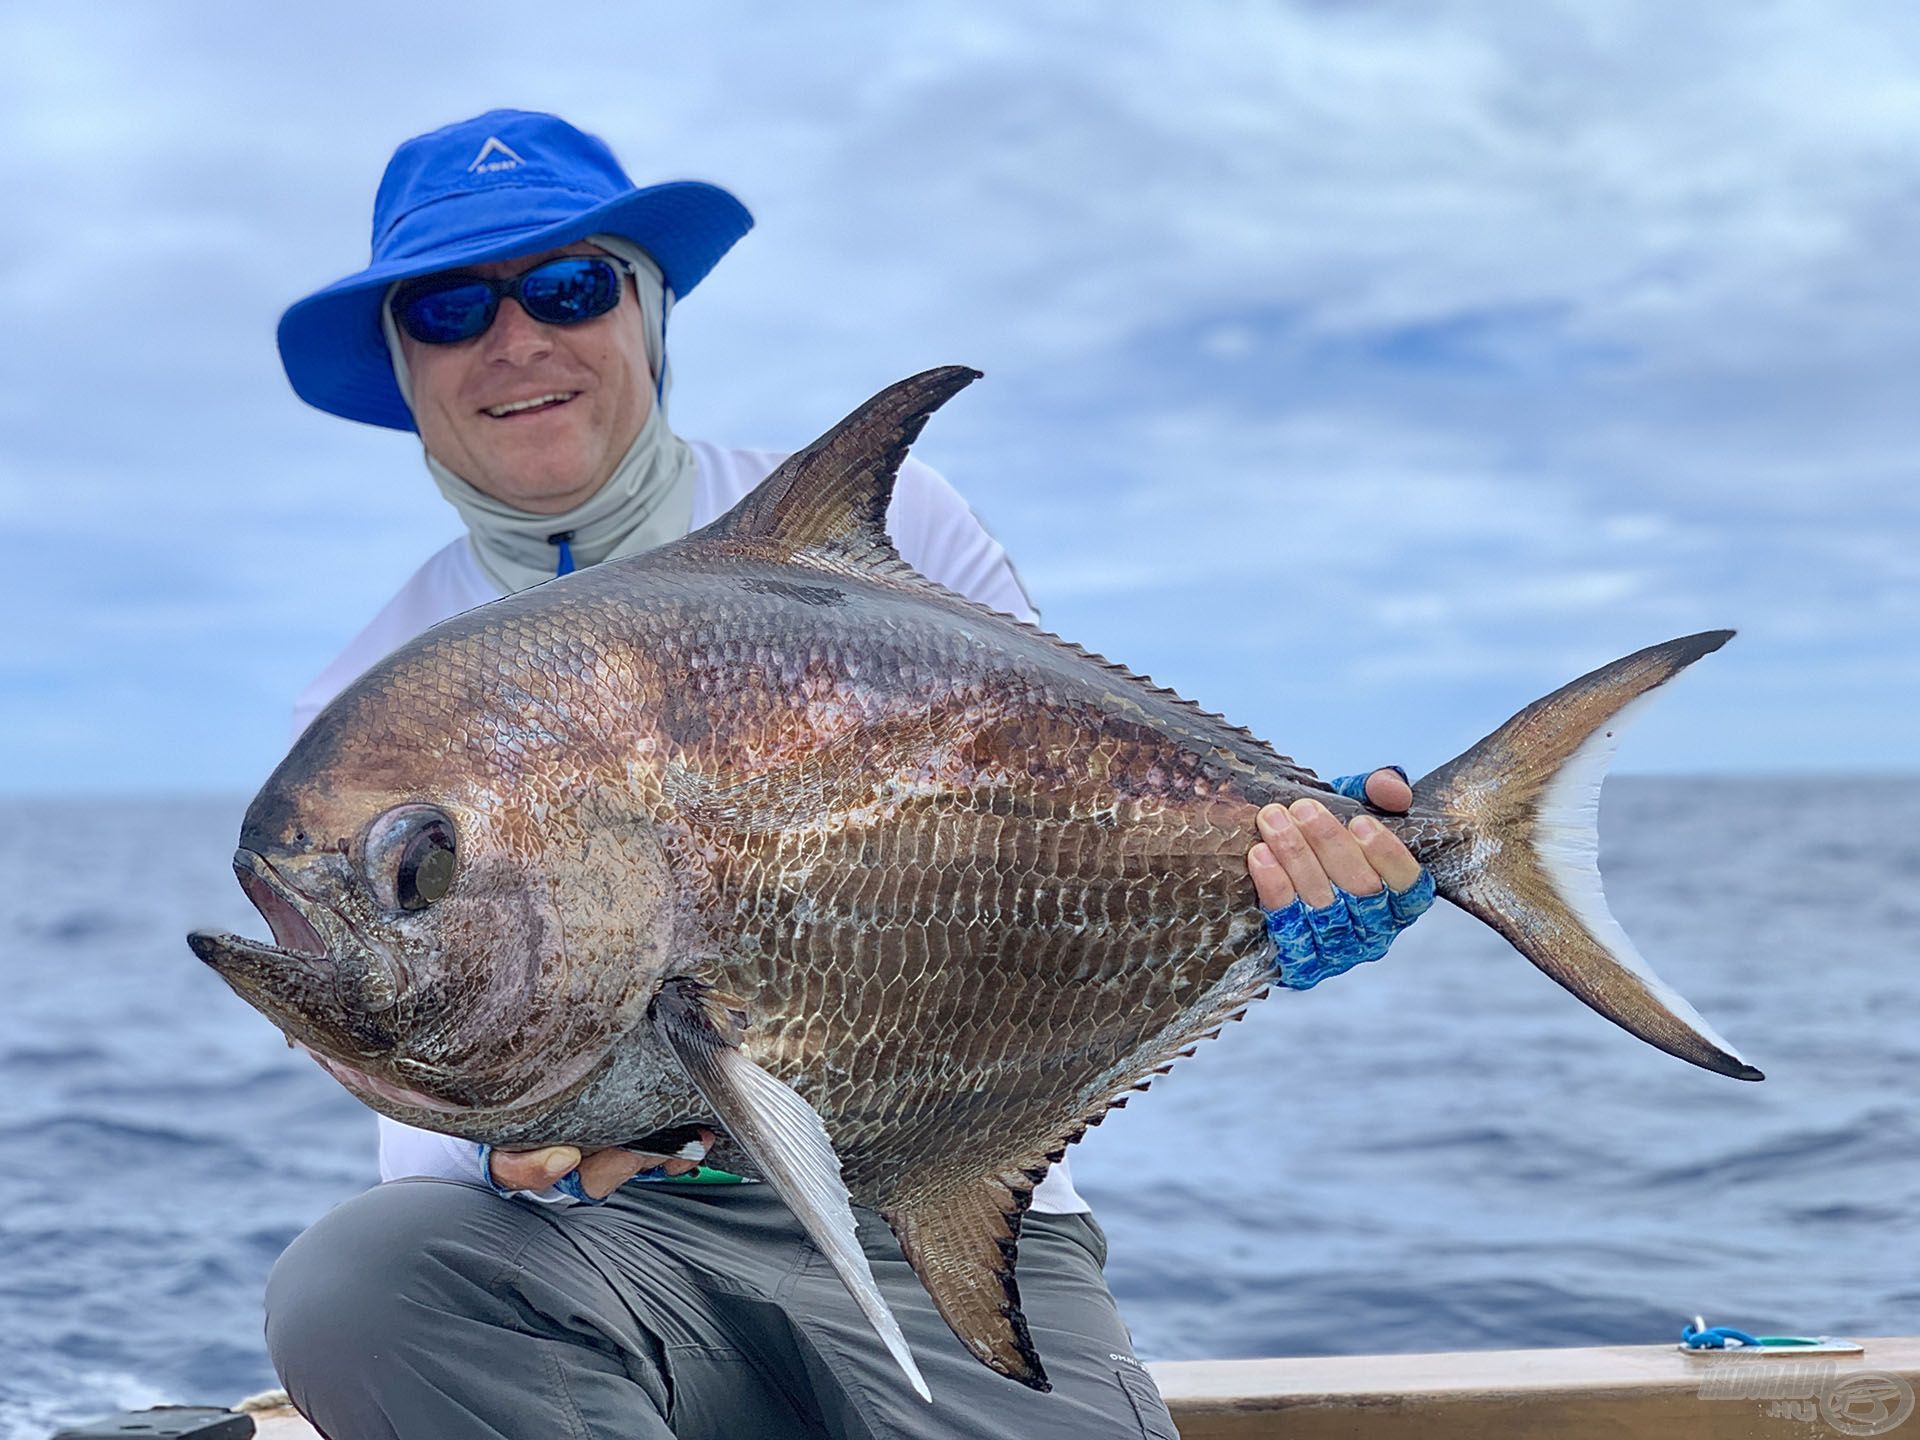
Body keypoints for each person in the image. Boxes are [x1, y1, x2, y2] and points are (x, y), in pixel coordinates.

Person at [262, 109, 1431, 1439]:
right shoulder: (371, 703)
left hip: (944, 1202)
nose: (516, 342)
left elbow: (1051, 838)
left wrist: (1269, 905)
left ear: (647, 312)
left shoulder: (896, 529)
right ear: (404, 366)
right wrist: (517, 1139)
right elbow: (427, 1124)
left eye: (572, 287)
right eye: (452, 308)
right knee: (361, 1279)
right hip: (616, 1259)